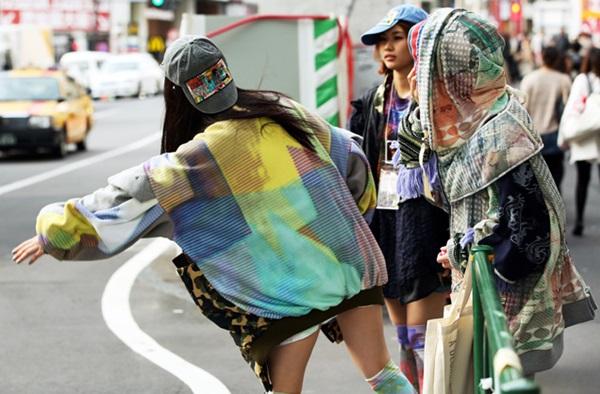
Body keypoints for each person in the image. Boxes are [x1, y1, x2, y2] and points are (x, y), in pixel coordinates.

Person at [12, 36, 416, 394]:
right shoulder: (283, 111)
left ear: (177, 94)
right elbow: (351, 157)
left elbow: (122, 197)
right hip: (348, 261)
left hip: (290, 289)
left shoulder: (198, 159)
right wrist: (352, 220)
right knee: (383, 376)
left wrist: (54, 234)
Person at [400, 9, 596, 376]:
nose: (418, 79)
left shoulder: (499, 128)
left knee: (499, 378)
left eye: (426, 68)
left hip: (502, 301)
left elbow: (523, 232)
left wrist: (463, 249)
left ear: (454, 70)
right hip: (482, 289)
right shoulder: (476, 118)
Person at [348, 5, 448, 392]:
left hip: (426, 221)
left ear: (418, 42)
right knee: (404, 339)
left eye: (397, 37)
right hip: (386, 221)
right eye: (383, 40)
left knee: (424, 339)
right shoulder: (374, 99)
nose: (388, 48)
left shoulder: (437, 97)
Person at [558, 47, 600, 236]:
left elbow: (571, 108)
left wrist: (564, 136)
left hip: (584, 138)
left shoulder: (582, 80)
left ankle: (580, 221)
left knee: (583, 181)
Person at [521, 45, 572, 192]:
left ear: (542, 57)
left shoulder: (529, 79)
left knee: (534, 185)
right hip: (554, 135)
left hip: (532, 136)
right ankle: (556, 213)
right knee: (555, 184)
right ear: (557, 59)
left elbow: (522, 110)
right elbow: (567, 109)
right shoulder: (563, 79)